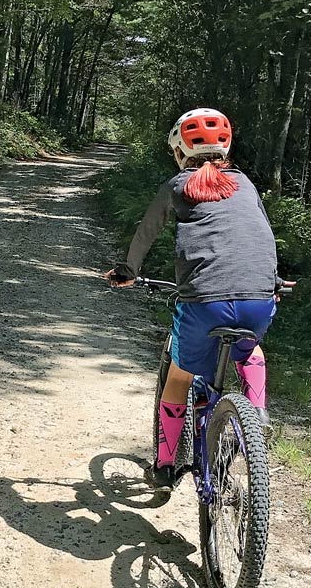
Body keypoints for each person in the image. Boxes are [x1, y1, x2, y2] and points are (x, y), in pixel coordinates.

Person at [105, 108, 294, 491]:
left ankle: (164, 465)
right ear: (226, 148)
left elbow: (145, 234)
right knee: (252, 351)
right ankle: (255, 419)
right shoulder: (244, 183)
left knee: (179, 376)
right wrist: (271, 282)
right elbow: (261, 235)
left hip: (203, 302)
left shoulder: (177, 185)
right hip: (259, 298)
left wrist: (127, 270)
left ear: (179, 152)